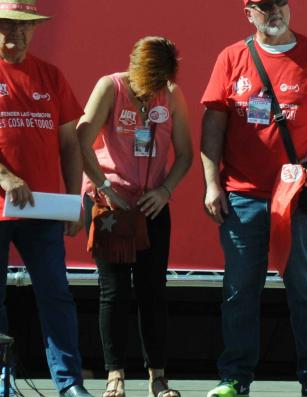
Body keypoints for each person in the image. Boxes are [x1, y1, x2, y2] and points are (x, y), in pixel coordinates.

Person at [200, 0, 307, 397]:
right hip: (244, 195)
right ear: (249, 13)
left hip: (300, 195)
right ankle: (235, 378)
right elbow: (212, 125)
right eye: (264, 5)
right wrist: (212, 184)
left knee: (305, 289)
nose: (275, 11)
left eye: (280, 1)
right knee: (239, 291)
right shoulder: (232, 58)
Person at [76, 37, 193, 397]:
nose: (156, 88)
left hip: (151, 204)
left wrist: (165, 190)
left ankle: (158, 377)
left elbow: (186, 154)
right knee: (114, 291)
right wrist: (102, 187)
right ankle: (115, 376)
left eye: (163, 80)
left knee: (152, 290)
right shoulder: (110, 86)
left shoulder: (172, 94)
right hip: (111, 202)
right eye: (152, 80)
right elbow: (82, 138)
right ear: (137, 69)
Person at [0, 0, 92, 397]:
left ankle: (69, 383)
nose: (14, 35)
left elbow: (70, 142)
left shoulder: (50, 75)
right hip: (1, 206)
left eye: (23, 27)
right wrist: (6, 178)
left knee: (56, 294)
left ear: (34, 29)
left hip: (44, 209)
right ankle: (2, 380)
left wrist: (74, 200)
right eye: (6, 25)